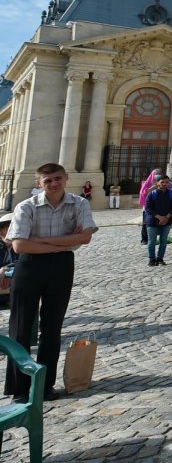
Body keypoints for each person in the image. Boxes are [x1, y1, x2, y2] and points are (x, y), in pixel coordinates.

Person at [5, 163, 97, 403]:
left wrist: (41, 240)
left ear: (66, 179)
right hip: (29, 266)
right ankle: (20, 388)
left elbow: (85, 237)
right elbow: (19, 246)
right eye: (48, 181)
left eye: (57, 179)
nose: (54, 184)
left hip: (61, 266)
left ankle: (45, 385)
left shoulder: (80, 203)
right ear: (39, 183)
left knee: (52, 327)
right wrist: (67, 241)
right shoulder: (25, 207)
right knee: (20, 328)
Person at [143, 174, 172, 266]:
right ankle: (152, 259)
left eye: (166, 182)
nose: (164, 184)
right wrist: (159, 217)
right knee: (152, 241)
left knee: (163, 241)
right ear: (157, 183)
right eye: (162, 182)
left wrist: (166, 217)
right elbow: (148, 208)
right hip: (152, 221)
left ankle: (160, 258)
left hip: (166, 221)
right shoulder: (152, 194)